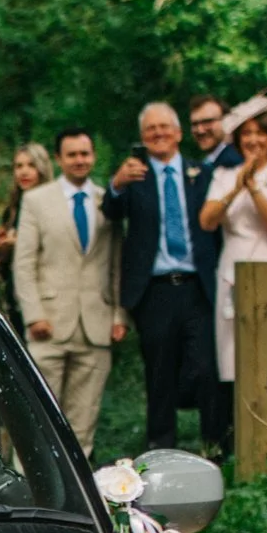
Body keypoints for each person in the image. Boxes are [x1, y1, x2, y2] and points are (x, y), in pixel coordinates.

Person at [105, 104, 229, 455]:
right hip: (154, 290)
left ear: (178, 133)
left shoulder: (201, 173)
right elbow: (110, 211)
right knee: (159, 374)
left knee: (206, 369)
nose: (158, 134)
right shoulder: (135, 176)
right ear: (143, 137)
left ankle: (215, 448)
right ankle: (161, 449)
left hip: (198, 288)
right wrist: (116, 184)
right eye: (150, 129)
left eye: (165, 127)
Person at [13, 127, 121, 459]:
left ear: (93, 156)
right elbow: (24, 263)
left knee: (83, 423)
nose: (79, 160)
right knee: (37, 418)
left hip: (96, 326)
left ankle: (74, 503)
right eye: (72, 154)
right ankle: (24, 494)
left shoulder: (109, 201)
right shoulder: (36, 201)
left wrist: (120, 316)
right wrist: (34, 315)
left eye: (85, 154)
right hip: (49, 325)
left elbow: (117, 263)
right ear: (59, 159)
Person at [199, 111, 267, 437]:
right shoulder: (224, 174)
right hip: (234, 272)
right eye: (246, 134)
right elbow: (207, 221)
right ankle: (248, 442)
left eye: (260, 134)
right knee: (239, 361)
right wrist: (235, 186)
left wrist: (254, 188)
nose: (253, 140)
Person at [0, 143, 52, 333]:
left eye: (31, 165)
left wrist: (20, 243)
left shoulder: (51, 204)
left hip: (44, 293)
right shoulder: (13, 209)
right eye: (18, 166)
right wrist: (1, 248)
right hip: (14, 291)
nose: (24, 172)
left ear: (42, 168)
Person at [189, 96, 243, 170]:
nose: (200, 130)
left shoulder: (235, 163)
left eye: (207, 122)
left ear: (227, 121)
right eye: (195, 124)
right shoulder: (206, 162)